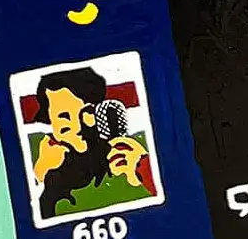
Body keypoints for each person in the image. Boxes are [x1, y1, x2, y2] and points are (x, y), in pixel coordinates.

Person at [28, 65, 156, 221]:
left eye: (86, 113)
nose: (77, 126)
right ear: (50, 120)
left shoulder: (124, 153)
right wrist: (40, 174)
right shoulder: (40, 157)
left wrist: (141, 170)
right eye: (64, 117)